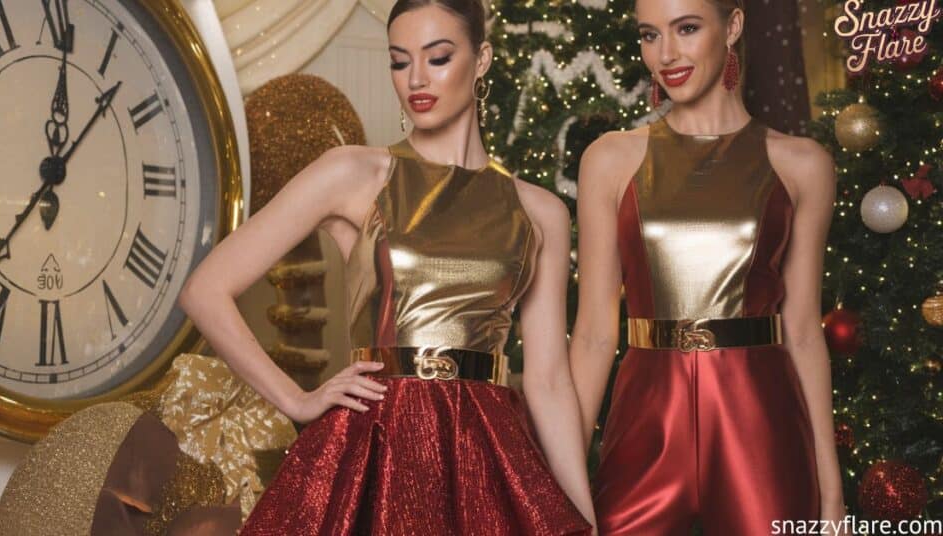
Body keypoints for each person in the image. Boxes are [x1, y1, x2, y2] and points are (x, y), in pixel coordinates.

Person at [178, 1, 595, 534]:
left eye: (438, 57)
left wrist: (583, 518)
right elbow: (205, 290)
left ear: (483, 58)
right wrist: (298, 400)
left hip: (488, 455)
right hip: (377, 447)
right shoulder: (356, 172)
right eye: (400, 62)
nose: (416, 79)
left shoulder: (539, 212)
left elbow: (549, 382)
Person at [569, 0, 846, 534]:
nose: (666, 54)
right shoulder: (609, 160)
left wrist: (831, 497)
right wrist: (562, 481)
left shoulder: (801, 164)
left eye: (687, 28)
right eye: (650, 35)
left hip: (760, 426)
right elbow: (593, 337)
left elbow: (805, 335)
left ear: (734, 25)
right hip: (644, 428)